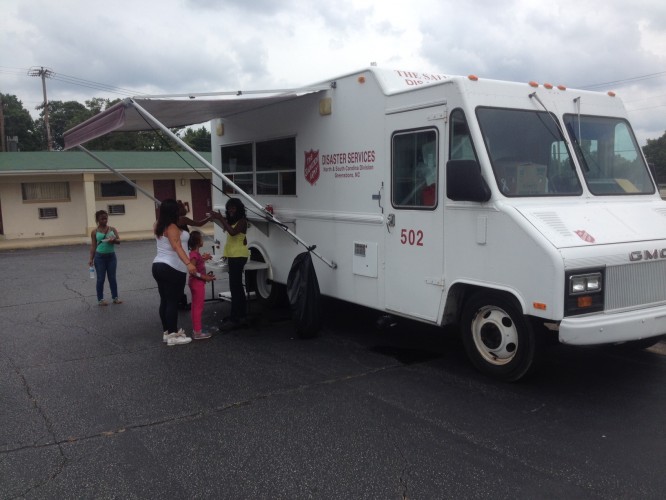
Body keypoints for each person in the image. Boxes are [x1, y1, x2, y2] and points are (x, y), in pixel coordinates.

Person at [152, 199, 198, 346]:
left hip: (158, 265)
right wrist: (189, 263)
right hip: (172, 268)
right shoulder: (171, 227)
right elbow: (177, 247)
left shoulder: (158, 224)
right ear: (173, 211)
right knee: (172, 301)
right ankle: (173, 336)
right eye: (177, 209)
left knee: (165, 301)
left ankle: (167, 332)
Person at [215, 198, 250, 330]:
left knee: (235, 288)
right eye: (229, 208)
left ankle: (236, 318)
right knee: (237, 287)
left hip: (238, 256)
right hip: (233, 256)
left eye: (233, 208)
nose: (230, 210)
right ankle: (241, 316)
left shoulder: (242, 221)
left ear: (239, 209)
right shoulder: (234, 221)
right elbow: (232, 238)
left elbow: (233, 232)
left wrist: (221, 218)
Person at [176, 200, 213, 311]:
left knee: (179, 278)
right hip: (182, 251)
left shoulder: (172, 221)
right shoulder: (182, 219)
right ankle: (180, 302)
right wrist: (209, 218)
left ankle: (180, 301)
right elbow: (198, 223)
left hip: (178, 251)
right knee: (184, 275)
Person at [88, 210, 122, 306]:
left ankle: (115, 298)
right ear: (98, 219)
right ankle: (100, 300)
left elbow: (119, 241)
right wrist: (91, 259)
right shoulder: (94, 232)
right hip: (99, 258)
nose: (104, 220)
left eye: (106, 218)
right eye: (102, 218)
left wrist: (114, 240)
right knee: (100, 279)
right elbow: (93, 246)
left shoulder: (112, 229)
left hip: (111, 257)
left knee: (112, 278)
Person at [188, 230, 216, 340]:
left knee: (195, 307)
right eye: (201, 238)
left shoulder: (195, 254)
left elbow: (197, 263)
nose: (203, 240)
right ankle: (198, 333)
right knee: (198, 307)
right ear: (197, 241)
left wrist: (205, 258)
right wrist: (205, 277)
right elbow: (192, 271)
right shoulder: (194, 255)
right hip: (197, 284)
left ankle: (197, 329)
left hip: (196, 283)